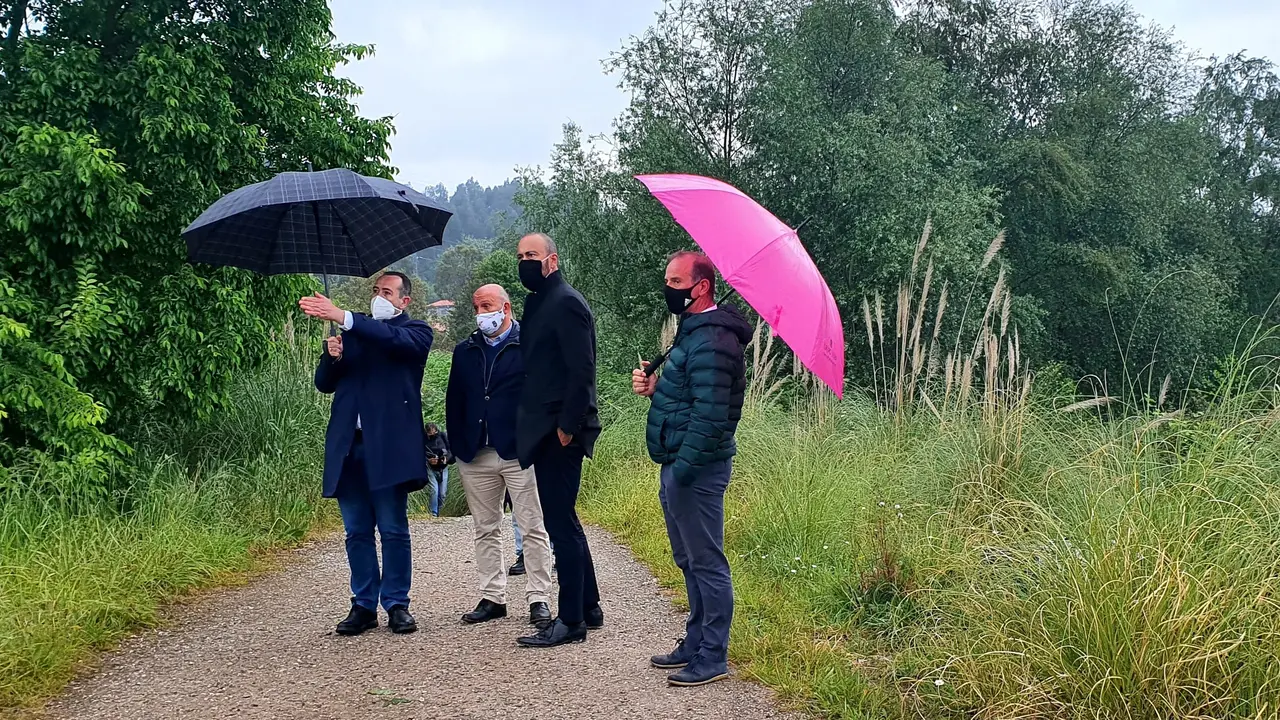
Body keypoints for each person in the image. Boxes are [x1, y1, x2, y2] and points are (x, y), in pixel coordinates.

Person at [631, 250, 750, 686]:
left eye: (676, 282)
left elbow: (713, 415)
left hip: (696, 469)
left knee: (707, 561)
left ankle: (713, 655)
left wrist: (682, 470)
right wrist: (654, 388)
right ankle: (696, 639)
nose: (669, 289)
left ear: (701, 287)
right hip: (679, 463)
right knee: (688, 559)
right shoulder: (694, 331)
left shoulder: (716, 340)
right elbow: (687, 397)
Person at [301, 271, 433, 636]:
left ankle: (396, 603)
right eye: (375, 290)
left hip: (388, 448)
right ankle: (362, 604)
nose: (378, 296)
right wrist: (332, 357)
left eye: (386, 291)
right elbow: (325, 385)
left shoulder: (415, 332)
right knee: (356, 531)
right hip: (350, 447)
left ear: (404, 300)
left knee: (393, 529)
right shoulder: (353, 335)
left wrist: (342, 316)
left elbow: (392, 340)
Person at [512, 232, 604, 648]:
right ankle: (589, 606)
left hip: (561, 430)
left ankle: (570, 621)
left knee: (559, 524)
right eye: (520, 256)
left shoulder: (566, 301)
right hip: (544, 425)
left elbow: (582, 370)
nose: (525, 261)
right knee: (563, 518)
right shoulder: (539, 301)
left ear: (552, 259)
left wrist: (568, 425)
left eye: (532, 254)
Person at [445, 283, 555, 629]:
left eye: (487, 306)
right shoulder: (465, 350)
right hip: (475, 453)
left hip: (519, 451)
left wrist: (538, 440)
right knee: (485, 527)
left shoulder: (530, 345)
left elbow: (544, 396)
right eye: (477, 306)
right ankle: (493, 596)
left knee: (533, 526)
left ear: (506, 309)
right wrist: (458, 443)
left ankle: (539, 597)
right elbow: (454, 399)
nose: (481, 313)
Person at [423, 422, 454, 517]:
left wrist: (446, 458)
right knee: (434, 490)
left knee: (443, 492)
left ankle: (441, 511)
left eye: (434, 433)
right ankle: (434, 513)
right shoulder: (423, 439)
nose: (433, 435)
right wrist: (429, 460)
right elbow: (420, 453)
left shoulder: (442, 436)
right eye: (430, 434)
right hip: (430, 467)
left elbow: (450, 450)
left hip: (443, 467)